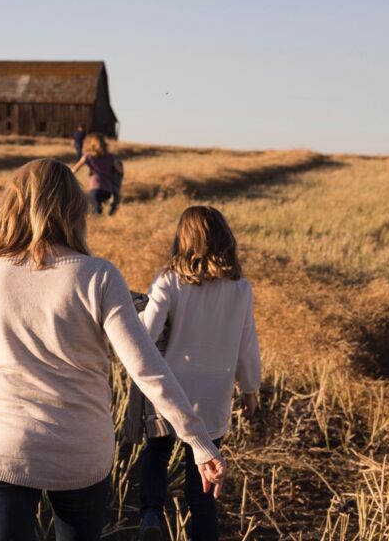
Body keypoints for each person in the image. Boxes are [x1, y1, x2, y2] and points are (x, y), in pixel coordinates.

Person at [0, 159, 226, 541]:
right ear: (75, 208)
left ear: (12, 205)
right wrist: (199, 442)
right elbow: (145, 368)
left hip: (3, 450)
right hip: (81, 455)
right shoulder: (99, 275)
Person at [133, 206, 261, 541]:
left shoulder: (169, 280)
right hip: (214, 396)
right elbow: (247, 344)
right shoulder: (240, 288)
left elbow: (146, 334)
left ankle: (150, 515)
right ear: (225, 239)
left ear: (183, 239)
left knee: (157, 451)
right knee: (203, 483)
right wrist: (250, 388)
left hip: (170, 390)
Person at [72, 133, 123, 215]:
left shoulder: (87, 157)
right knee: (104, 212)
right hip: (108, 190)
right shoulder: (110, 157)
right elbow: (120, 170)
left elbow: (74, 169)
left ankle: (99, 226)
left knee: (96, 213)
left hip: (95, 188)